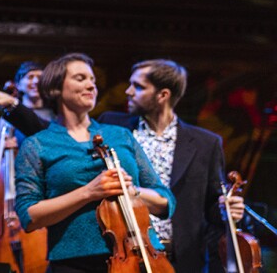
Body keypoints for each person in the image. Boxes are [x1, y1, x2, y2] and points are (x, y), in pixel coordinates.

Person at [14, 53, 175, 273]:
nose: (91, 85)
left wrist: (132, 190)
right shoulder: (38, 145)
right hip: (75, 264)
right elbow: (29, 215)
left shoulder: (121, 136)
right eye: (80, 78)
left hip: (141, 255)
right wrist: (89, 192)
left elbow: (165, 199)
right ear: (55, 89)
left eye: (93, 80)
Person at [99, 59, 245, 273]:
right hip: (121, 255)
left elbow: (212, 205)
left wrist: (227, 210)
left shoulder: (206, 143)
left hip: (179, 260)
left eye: (138, 86)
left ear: (163, 95)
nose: (128, 91)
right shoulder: (113, 125)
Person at [0, 61, 50, 148]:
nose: (36, 81)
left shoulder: (55, 113)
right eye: (30, 77)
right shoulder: (10, 115)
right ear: (18, 85)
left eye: (40, 77)